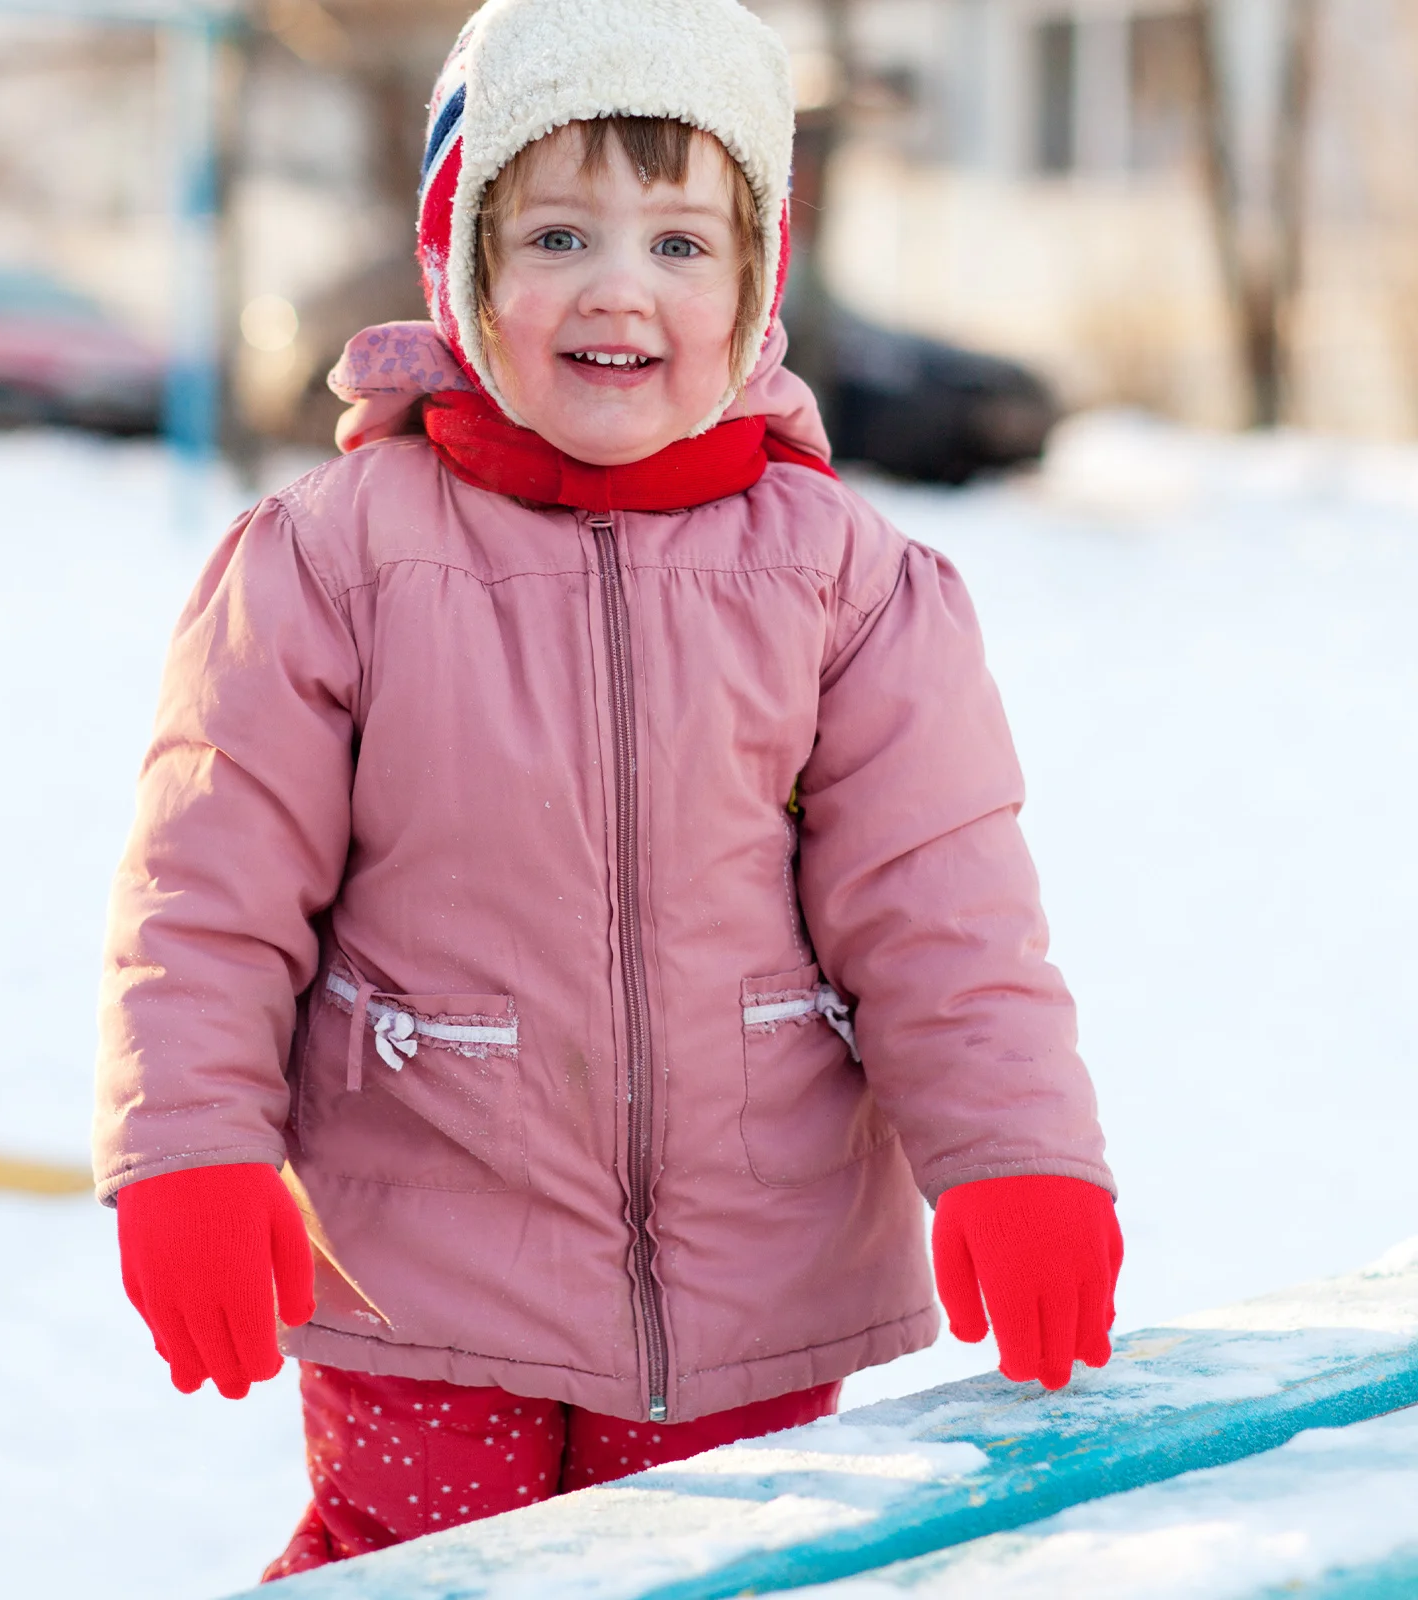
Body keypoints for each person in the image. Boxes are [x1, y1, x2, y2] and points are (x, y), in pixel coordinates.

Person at [93, 0, 1121, 1580]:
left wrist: (1020, 1156)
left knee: (713, 1580)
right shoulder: (333, 561)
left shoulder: (847, 585)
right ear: (463, 266)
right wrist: (190, 1152)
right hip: (419, 1277)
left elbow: (943, 908)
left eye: (683, 242)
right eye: (559, 230)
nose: (619, 285)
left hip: (746, 1286)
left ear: (758, 280)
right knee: (416, 1572)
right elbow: (208, 894)